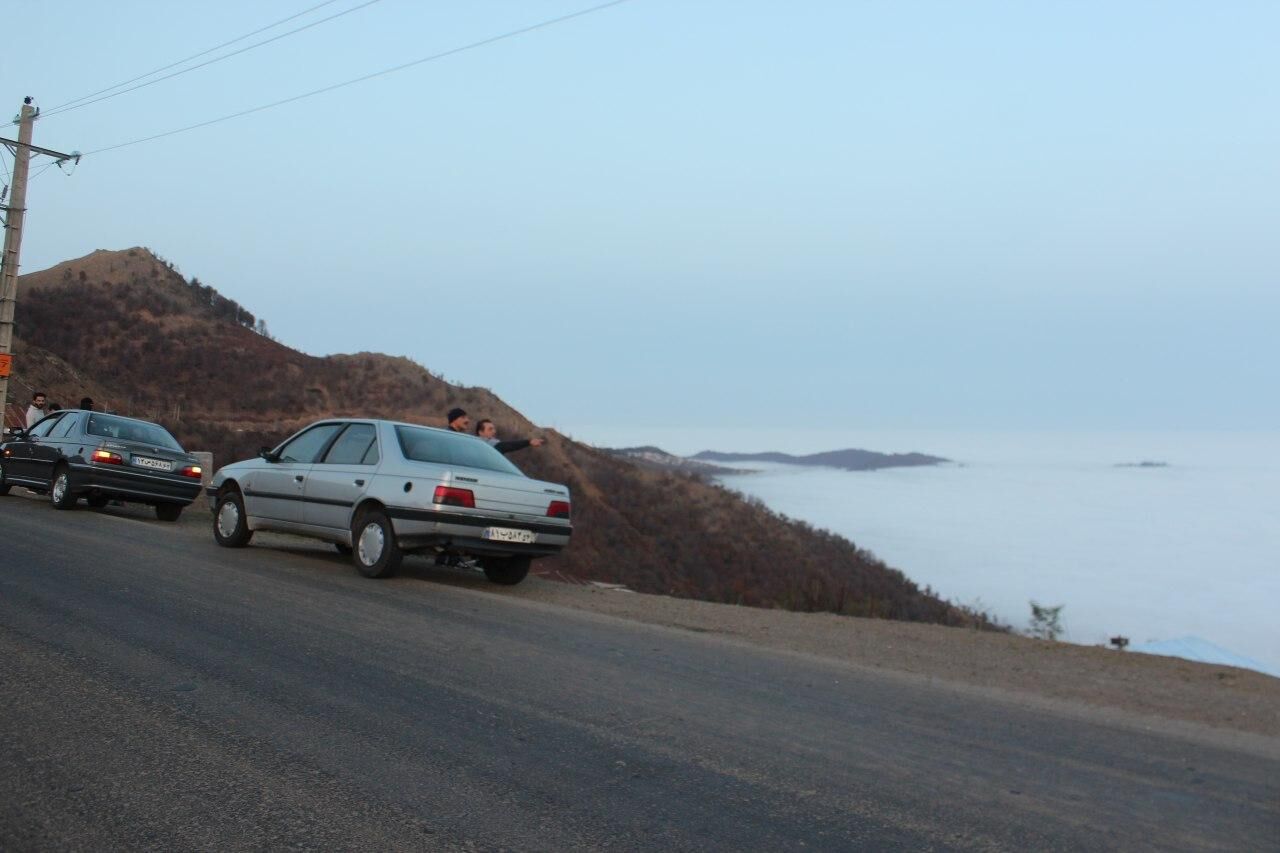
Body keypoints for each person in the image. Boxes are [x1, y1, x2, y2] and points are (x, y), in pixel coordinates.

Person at [475, 418, 545, 455]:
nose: (494, 431)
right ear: (481, 432)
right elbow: (507, 446)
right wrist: (528, 442)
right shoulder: (484, 445)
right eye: (490, 429)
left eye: (494, 429)